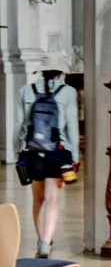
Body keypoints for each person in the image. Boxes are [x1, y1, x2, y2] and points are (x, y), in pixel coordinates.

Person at [15, 66, 79, 257]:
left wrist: (18, 149)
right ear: (61, 72)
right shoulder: (68, 92)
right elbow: (72, 125)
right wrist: (74, 155)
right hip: (57, 152)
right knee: (52, 199)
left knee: (38, 198)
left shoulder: (26, 91)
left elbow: (20, 125)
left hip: (33, 151)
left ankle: (43, 240)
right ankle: (45, 241)